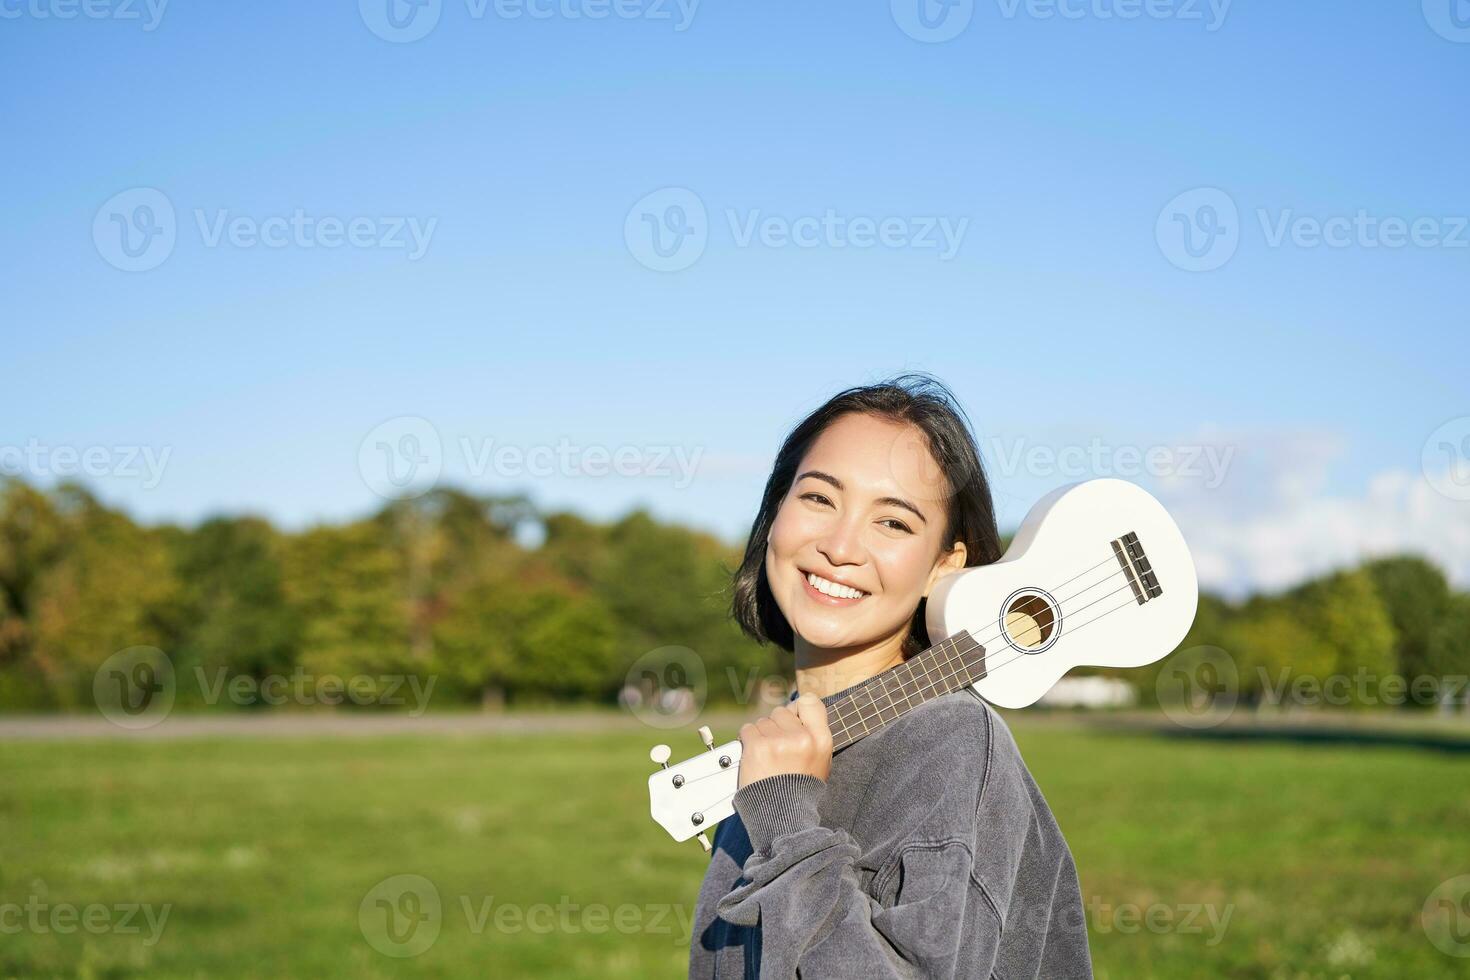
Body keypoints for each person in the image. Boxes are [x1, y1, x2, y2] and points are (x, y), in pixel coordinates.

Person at [688, 374, 1093, 979]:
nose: (841, 545)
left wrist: (783, 822)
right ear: (775, 512)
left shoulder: (950, 741)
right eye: (819, 498)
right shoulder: (783, 747)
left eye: (894, 523)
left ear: (944, 566)